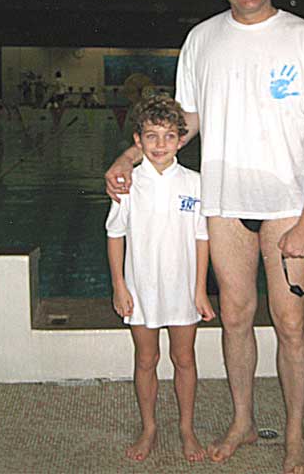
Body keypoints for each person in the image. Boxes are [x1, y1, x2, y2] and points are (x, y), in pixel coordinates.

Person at [105, 0, 304, 474]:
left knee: (290, 323)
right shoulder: (201, 40)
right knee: (235, 317)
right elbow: (183, 124)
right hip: (222, 203)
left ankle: (294, 435)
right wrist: (130, 156)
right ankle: (242, 421)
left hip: (288, 206)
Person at [105, 95, 216, 463]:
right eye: (151, 136)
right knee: (146, 359)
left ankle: (186, 428)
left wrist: (200, 290)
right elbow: (115, 234)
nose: (160, 145)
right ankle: (149, 427)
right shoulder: (128, 183)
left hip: (182, 289)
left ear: (181, 140)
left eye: (169, 136)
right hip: (141, 289)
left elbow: (202, 238)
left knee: (184, 358)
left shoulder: (195, 183)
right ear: (138, 140)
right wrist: (119, 286)